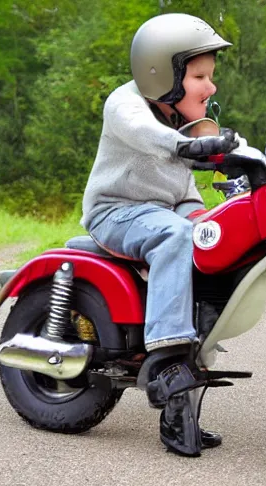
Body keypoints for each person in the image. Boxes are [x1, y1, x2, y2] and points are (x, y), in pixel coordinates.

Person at [80, 13, 239, 456]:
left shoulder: (179, 124)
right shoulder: (127, 106)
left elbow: (184, 193)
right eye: (200, 76)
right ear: (161, 75)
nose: (211, 88)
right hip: (117, 213)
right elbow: (143, 133)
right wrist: (184, 146)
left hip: (162, 216)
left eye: (211, 76)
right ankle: (166, 362)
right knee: (175, 237)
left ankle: (179, 413)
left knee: (208, 241)